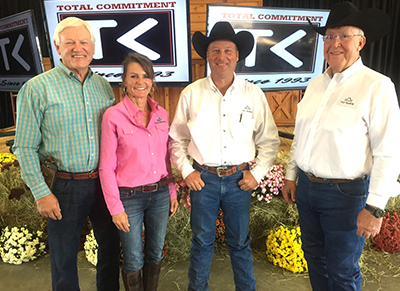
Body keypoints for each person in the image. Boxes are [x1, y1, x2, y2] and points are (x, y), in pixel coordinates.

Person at [282, 2, 400, 291]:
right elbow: (301, 135)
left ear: (360, 42)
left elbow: (389, 150)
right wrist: (290, 174)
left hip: (345, 195)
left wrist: (375, 208)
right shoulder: (315, 85)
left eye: (343, 36)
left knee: (342, 270)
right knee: (314, 259)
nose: (335, 43)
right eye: (330, 37)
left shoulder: (376, 86)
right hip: (308, 190)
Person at [169, 21, 280, 291]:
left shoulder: (252, 94)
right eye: (215, 50)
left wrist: (256, 174)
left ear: (237, 55)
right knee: (201, 241)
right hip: (203, 180)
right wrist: (187, 171)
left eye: (228, 51)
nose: (222, 57)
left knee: (240, 242)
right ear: (207, 55)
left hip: (239, 181)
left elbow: (269, 140)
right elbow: (176, 140)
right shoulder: (191, 94)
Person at [13, 17, 120, 291]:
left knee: (110, 252)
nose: (77, 48)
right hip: (63, 186)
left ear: (93, 48)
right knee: (63, 260)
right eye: (69, 42)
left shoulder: (103, 87)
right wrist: (41, 192)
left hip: (104, 183)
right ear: (57, 47)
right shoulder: (37, 88)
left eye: (83, 42)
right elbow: (24, 146)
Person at [99, 52, 178, 291]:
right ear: (123, 80)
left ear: (152, 80)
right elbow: (106, 167)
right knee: (133, 257)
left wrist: (172, 191)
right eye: (133, 76)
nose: (140, 81)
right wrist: (115, 209)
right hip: (129, 198)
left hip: (160, 195)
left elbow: (166, 157)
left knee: (155, 251)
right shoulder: (112, 116)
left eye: (145, 76)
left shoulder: (161, 115)